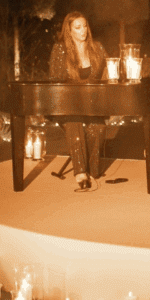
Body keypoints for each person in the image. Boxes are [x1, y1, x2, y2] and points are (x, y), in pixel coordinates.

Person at [49, 12, 110, 191]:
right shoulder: (60, 50)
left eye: (84, 26)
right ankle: (80, 173)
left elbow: (109, 71)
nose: (83, 31)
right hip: (67, 106)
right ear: (69, 31)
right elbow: (54, 80)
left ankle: (92, 171)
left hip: (92, 105)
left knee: (98, 127)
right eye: (77, 27)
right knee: (74, 121)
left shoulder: (97, 47)